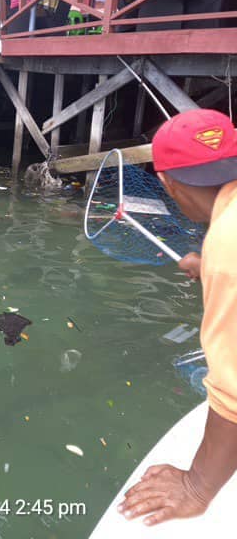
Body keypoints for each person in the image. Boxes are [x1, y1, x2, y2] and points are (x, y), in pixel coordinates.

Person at [118, 108, 237, 526]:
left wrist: (197, 486)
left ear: (167, 182)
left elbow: (234, 389)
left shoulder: (228, 242)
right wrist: (208, 266)